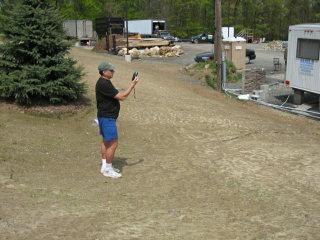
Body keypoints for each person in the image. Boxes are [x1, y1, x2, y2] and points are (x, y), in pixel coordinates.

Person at [96, 61, 138, 178]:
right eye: (111, 70)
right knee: (113, 143)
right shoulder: (104, 83)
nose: (113, 72)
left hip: (105, 116)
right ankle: (108, 169)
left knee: (106, 141)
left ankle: (105, 166)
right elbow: (122, 97)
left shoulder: (104, 82)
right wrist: (132, 85)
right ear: (104, 72)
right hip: (107, 118)